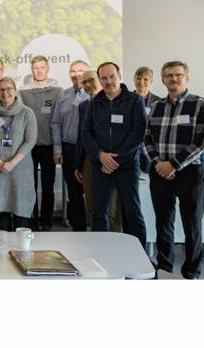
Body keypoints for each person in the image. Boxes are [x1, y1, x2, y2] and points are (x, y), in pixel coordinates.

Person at [144, 61, 204, 279]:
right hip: (160, 171)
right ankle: (164, 267)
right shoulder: (156, 106)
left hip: (190, 172)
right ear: (163, 80)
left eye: (178, 75)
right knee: (163, 223)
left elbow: (201, 141)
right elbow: (147, 139)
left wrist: (173, 164)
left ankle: (191, 272)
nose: (174, 79)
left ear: (187, 78)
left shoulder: (200, 105)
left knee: (192, 225)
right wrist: (157, 163)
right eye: (169, 75)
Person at [81, 62, 147, 246]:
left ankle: (138, 253)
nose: (108, 81)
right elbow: (86, 133)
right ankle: (102, 252)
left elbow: (137, 133)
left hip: (126, 165)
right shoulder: (95, 102)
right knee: (98, 211)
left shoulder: (134, 100)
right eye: (104, 78)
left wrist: (115, 160)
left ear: (119, 76)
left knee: (131, 210)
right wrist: (101, 156)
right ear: (99, 79)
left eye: (112, 77)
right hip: (100, 165)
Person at [0, 78, 38, 231]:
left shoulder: (27, 113)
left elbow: (30, 141)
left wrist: (11, 163)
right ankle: (4, 250)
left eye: (8, 89)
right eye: (1, 90)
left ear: (15, 91)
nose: (5, 93)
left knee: (21, 213)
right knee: (2, 212)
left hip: (20, 170)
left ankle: (21, 251)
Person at [75, 70, 123, 232]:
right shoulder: (83, 106)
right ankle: (97, 243)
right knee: (92, 206)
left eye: (91, 80)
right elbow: (82, 137)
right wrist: (78, 165)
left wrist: (108, 159)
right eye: (84, 82)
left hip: (113, 160)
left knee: (112, 208)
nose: (88, 85)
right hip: (89, 161)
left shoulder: (117, 101)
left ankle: (114, 246)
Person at [19, 55, 62, 231]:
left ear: (48, 69)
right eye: (36, 68)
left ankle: (46, 222)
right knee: (29, 187)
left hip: (49, 146)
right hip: (28, 148)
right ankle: (31, 221)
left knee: (48, 187)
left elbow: (58, 121)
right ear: (32, 70)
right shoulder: (22, 92)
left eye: (42, 67)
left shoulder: (58, 91)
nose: (39, 71)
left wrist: (57, 149)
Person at [51, 59, 90, 231]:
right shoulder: (63, 95)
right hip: (69, 149)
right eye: (73, 71)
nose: (77, 74)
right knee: (74, 194)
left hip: (90, 151)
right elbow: (56, 123)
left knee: (93, 193)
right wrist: (58, 149)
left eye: (80, 70)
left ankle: (97, 232)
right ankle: (79, 230)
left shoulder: (95, 94)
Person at [133, 66, 162, 174]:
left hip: (150, 146)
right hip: (132, 146)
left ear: (151, 81)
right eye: (139, 78)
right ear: (134, 79)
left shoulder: (158, 102)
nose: (141, 82)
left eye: (145, 79)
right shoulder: (127, 99)